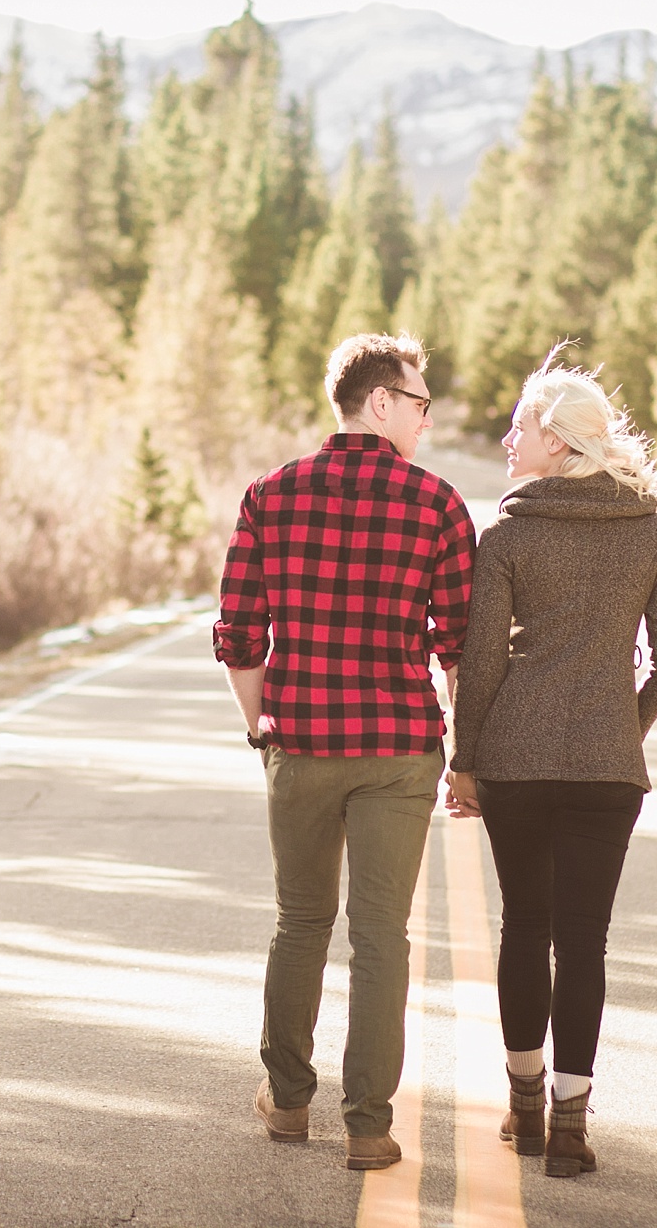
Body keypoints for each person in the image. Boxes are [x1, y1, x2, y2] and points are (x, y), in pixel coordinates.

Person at [215, 332, 476, 1172]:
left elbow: (239, 633)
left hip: (303, 741)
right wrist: (463, 750)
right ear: (380, 403)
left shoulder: (271, 494)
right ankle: (368, 1123)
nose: (427, 420)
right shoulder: (437, 503)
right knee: (380, 936)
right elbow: (460, 647)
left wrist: (261, 723)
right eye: (420, 403)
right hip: (399, 748)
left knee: (300, 922)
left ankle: (288, 1102)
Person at [445, 347, 657, 1178]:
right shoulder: (651, 530)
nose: (509, 440)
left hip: (515, 759)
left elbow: (480, 664)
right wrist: (624, 723)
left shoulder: (509, 533)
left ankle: (522, 1105)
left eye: (520, 427)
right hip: (606, 766)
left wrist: (465, 759)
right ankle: (572, 1124)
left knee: (527, 926)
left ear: (557, 441)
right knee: (585, 940)